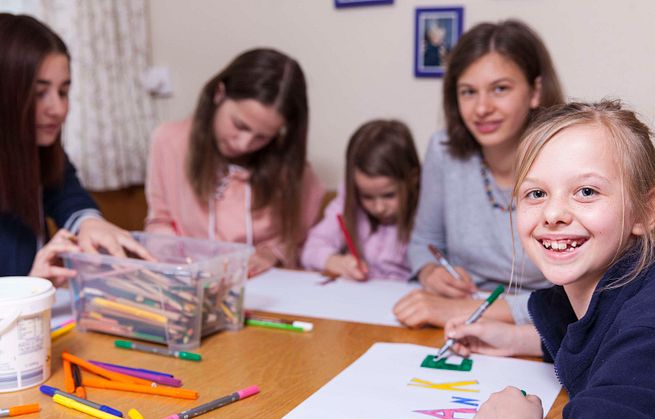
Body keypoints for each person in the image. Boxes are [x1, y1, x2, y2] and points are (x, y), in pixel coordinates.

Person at [446, 100, 655, 418]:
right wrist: (514, 339)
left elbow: (631, 355)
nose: (553, 213)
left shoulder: (653, 337)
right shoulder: (628, 291)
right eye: (536, 193)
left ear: (646, 211)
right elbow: (601, 341)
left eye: (586, 191)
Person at [394, 19, 564, 328]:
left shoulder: (569, 158)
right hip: (456, 323)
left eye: (500, 89)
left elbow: (580, 297)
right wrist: (433, 273)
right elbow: (423, 242)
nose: (481, 108)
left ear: (535, 91)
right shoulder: (443, 150)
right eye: (468, 92)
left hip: (543, 332)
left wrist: (465, 309)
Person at [145, 48, 325, 276]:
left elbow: (298, 236)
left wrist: (271, 255)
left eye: (263, 136)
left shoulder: (290, 166)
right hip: (189, 283)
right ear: (220, 93)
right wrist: (176, 268)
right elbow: (160, 222)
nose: (244, 144)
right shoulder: (168, 142)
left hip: (265, 287)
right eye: (240, 125)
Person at [0, 13, 150, 285]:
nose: (57, 110)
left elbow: (65, 193)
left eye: (64, 92)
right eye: (39, 93)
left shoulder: (37, 150)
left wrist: (89, 223)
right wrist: (27, 289)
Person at [301, 119, 420, 281]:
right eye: (367, 196)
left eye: (389, 195)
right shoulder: (349, 199)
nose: (379, 208)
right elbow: (311, 249)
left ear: (413, 179)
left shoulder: (427, 209)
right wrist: (334, 261)